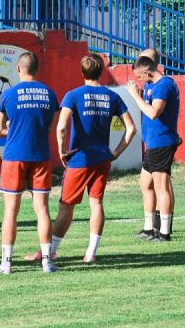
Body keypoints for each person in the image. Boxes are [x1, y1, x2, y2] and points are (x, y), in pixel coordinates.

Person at [43, 54, 136, 264]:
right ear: (102, 71)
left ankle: (52, 251)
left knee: (67, 205)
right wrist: (116, 152)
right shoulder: (112, 96)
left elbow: (61, 127)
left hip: (80, 158)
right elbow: (131, 129)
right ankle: (91, 253)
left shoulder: (73, 95)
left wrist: (61, 150)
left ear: (82, 71)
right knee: (96, 203)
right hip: (102, 158)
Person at [0, 53, 59, 275]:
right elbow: (49, 128)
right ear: (37, 69)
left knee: (10, 210)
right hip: (40, 155)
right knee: (42, 209)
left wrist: (13, 128)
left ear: (18, 69)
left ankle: (6, 263)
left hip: (14, 156)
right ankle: (47, 261)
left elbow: (0, 129)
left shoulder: (8, 94)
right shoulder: (49, 94)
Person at [127, 55, 180, 241]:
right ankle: (149, 228)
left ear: (147, 72)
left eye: (140, 76)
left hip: (161, 142)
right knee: (145, 183)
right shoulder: (151, 85)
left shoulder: (164, 85)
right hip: (152, 142)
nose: (139, 80)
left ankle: (164, 232)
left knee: (161, 186)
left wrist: (135, 96)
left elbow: (153, 113)